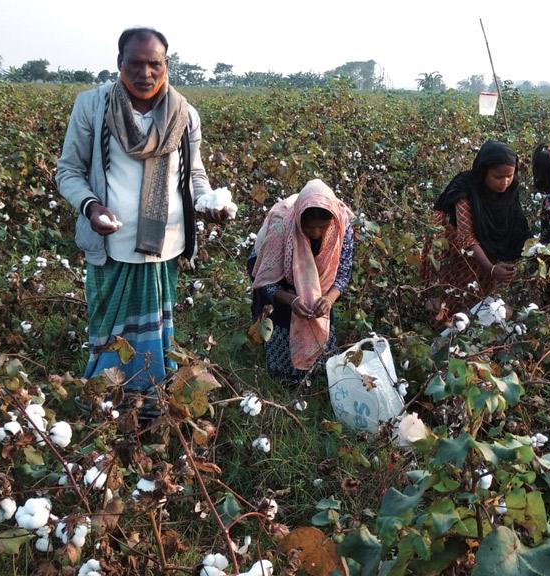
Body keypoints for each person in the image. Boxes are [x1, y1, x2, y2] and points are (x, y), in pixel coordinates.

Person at [56, 27, 225, 415]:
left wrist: (208, 203)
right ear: (119, 64)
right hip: (110, 247)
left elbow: (194, 175)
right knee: (109, 334)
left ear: (167, 64)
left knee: (154, 338)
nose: (145, 72)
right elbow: (68, 171)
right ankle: (106, 408)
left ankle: (148, 409)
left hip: (163, 245)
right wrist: (91, 207)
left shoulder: (185, 114)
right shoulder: (92, 107)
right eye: (136, 63)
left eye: (155, 63)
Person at [249, 179, 354, 383]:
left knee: (321, 361)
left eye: (322, 227)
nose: (315, 233)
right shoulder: (282, 223)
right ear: (298, 220)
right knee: (282, 364)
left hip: (321, 287)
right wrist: (291, 300)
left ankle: (316, 373)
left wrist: (329, 299)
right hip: (280, 283)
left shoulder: (341, 225)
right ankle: (284, 375)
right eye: (309, 227)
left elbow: (343, 272)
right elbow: (262, 276)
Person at [421, 140, 530, 316]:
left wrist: (510, 261)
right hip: (455, 253)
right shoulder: (465, 187)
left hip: (487, 255)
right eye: (498, 177)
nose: (505, 182)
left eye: (509, 176)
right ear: (484, 171)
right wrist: (491, 268)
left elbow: (517, 227)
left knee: (479, 303)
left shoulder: (511, 190)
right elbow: (465, 236)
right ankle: (443, 336)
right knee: (449, 299)